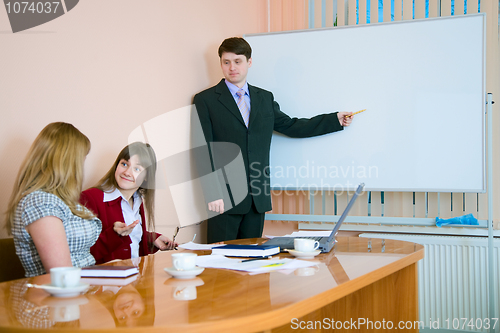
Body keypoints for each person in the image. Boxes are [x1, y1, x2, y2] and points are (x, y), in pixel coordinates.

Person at [193, 37, 354, 243]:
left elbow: (292, 126)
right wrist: (212, 193)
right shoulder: (205, 100)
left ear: (249, 62)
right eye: (226, 62)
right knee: (220, 264)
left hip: (256, 198)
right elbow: (202, 149)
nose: (232, 67)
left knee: (252, 264)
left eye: (237, 61)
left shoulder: (264, 98)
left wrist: (334, 120)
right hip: (223, 199)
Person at [6, 122, 102, 277]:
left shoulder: (59, 200)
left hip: (85, 288)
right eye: (82, 158)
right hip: (55, 299)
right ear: (68, 161)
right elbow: (63, 277)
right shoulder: (40, 202)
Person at [80, 142, 177, 264]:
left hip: (135, 278)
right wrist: (114, 234)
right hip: (107, 281)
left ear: (146, 177)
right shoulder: (90, 198)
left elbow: (131, 238)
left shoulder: (137, 200)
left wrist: (152, 238)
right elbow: (80, 252)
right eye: (124, 164)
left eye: (137, 169)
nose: (127, 172)